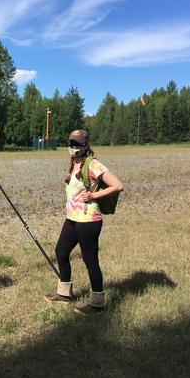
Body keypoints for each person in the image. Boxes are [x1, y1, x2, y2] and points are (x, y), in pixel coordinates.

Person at [45, 129, 123, 314]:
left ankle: (97, 303)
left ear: (86, 145)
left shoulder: (93, 164)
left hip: (89, 219)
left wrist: (94, 194)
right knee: (61, 252)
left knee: (90, 260)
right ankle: (64, 294)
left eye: (78, 143)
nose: (73, 147)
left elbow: (118, 185)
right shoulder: (74, 162)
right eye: (71, 143)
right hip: (72, 218)